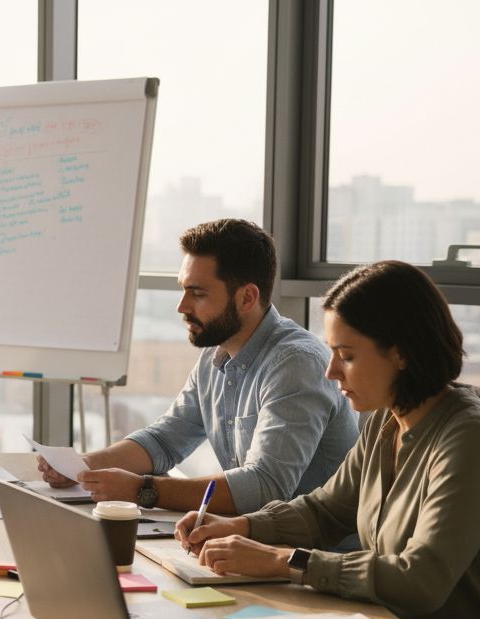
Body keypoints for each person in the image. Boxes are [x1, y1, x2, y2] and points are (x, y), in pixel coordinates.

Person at [177, 260, 480, 619]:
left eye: (346, 355)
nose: (331, 372)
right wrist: (243, 526)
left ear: (401, 353)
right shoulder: (387, 419)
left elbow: (420, 580)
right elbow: (327, 509)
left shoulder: (472, 437)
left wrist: (282, 561)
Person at [39, 218, 357, 514]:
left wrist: (142, 490)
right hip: (249, 539)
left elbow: (265, 487)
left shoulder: (296, 365)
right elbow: (164, 440)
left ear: (247, 298)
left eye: (198, 293)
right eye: (183, 289)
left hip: (313, 552)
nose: (182, 306)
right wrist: (83, 466)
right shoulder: (216, 353)